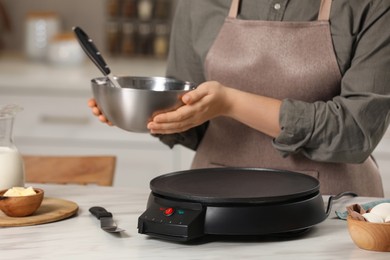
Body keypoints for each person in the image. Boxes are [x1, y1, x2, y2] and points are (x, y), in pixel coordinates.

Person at [89, 0, 390, 197]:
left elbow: (355, 132)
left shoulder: (372, 5)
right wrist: (133, 110)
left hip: (330, 207)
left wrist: (230, 103)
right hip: (213, 203)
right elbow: (190, 117)